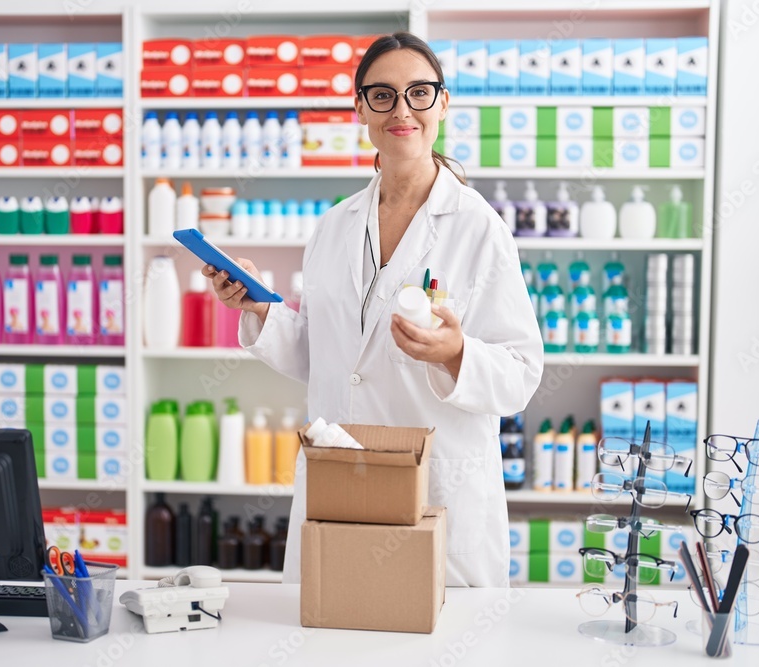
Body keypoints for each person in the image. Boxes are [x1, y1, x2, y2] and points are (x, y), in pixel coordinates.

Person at [204, 32, 544, 587]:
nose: (402, 109)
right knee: (332, 628)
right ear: (360, 107)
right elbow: (327, 354)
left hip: (434, 489)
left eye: (419, 93)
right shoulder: (335, 225)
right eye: (383, 95)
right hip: (340, 476)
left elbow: (522, 375)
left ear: (443, 103)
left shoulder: (480, 227)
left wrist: (457, 353)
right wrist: (260, 305)